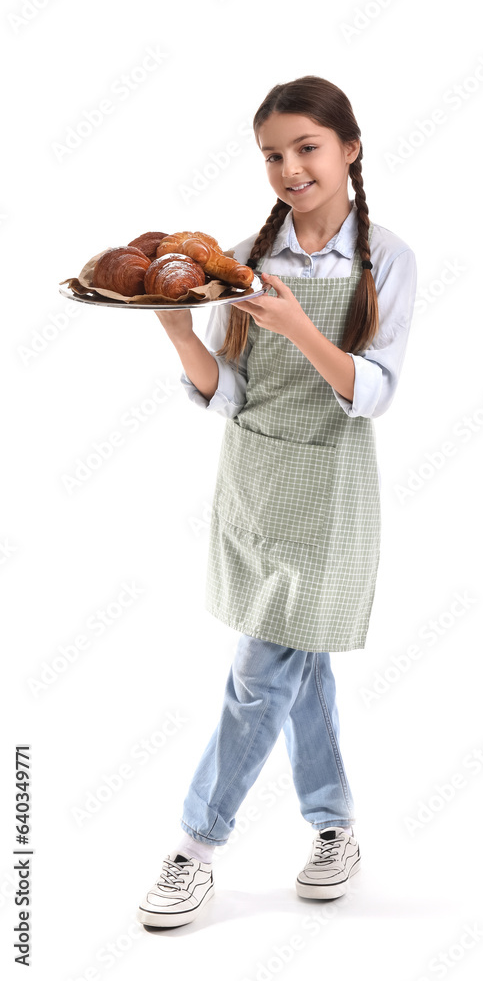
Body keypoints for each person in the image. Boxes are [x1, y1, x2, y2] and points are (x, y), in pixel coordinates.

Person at [137, 75, 417, 929]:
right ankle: (334, 829)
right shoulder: (243, 262)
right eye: (273, 155)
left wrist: (298, 327)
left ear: (350, 149)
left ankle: (195, 847)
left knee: (262, 675)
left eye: (307, 148)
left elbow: (373, 393)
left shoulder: (388, 258)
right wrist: (184, 333)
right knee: (303, 668)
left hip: (331, 492)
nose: (291, 168)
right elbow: (228, 394)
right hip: (255, 484)